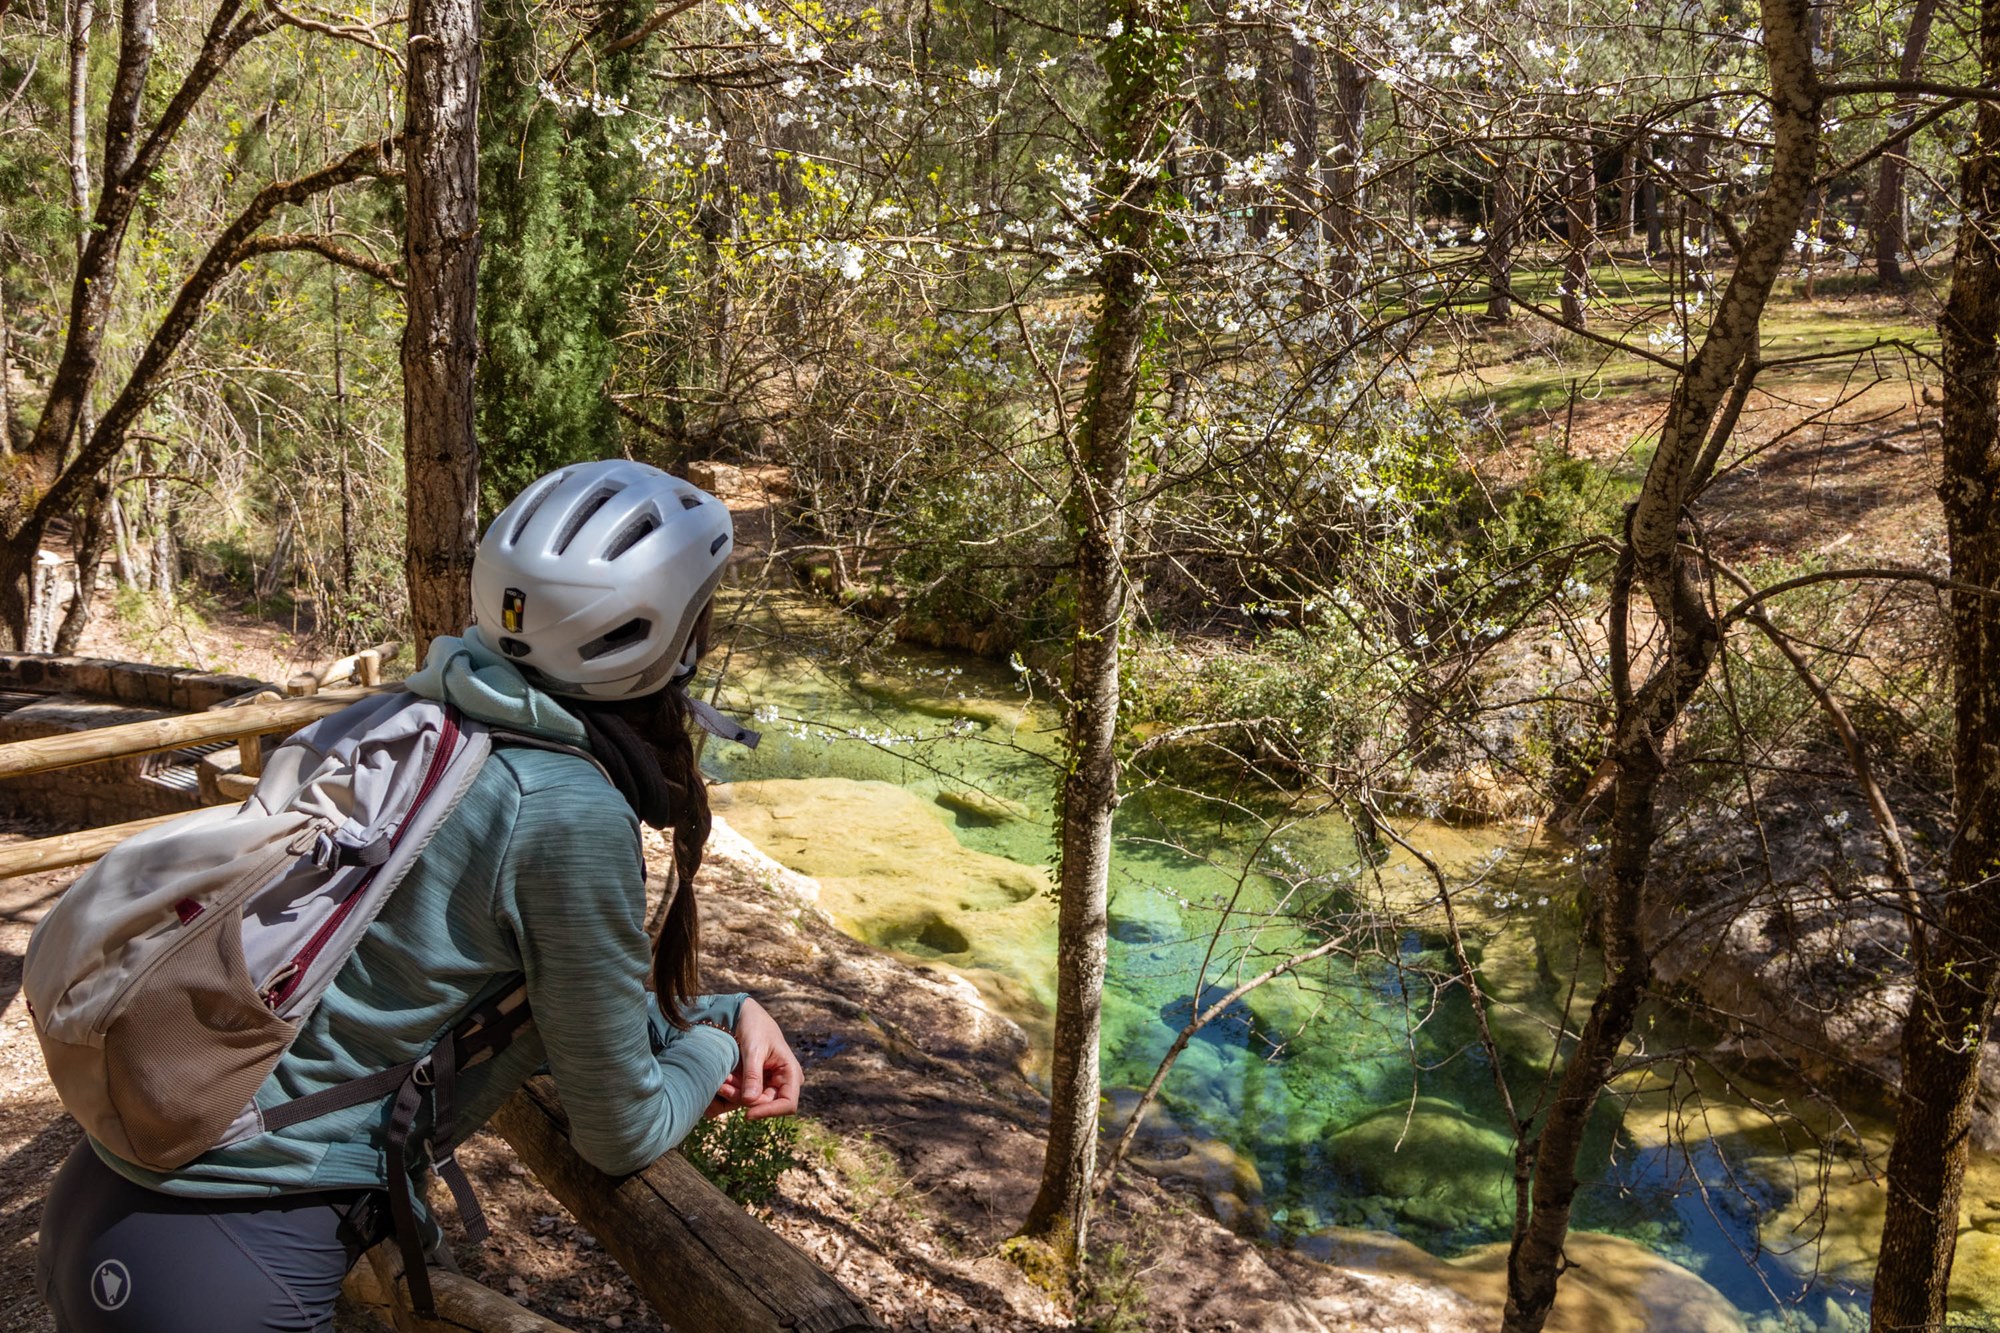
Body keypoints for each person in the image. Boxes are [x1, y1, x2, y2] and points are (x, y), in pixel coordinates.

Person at [36, 460, 801, 1332]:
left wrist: (728, 1006)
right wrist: (707, 1049)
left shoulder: (422, 718)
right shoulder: (564, 809)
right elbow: (620, 1128)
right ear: (668, 636)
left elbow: (547, 1001)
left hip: (111, 1206)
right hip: (238, 1254)